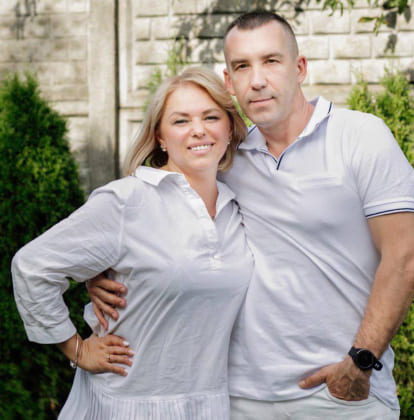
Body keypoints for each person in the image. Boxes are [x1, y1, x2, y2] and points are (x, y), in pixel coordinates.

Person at [88, 10, 414, 420]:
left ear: (299, 68)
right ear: (229, 82)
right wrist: (99, 270)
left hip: (340, 394)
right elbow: (150, 219)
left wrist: (361, 361)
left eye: (271, 61)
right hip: (239, 397)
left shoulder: (360, 136)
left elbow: (404, 257)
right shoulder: (225, 160)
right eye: (242, 66)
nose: (257, 80)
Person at [12, 66, 253, 419]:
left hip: (208, 405)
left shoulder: (238, 205)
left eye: (211, 117)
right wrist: (77, 350)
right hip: (126, 405)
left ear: (229, 128)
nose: (198, 129)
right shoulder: (127, 201)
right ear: (160, 136)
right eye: (181, 120)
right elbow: (32, 266)